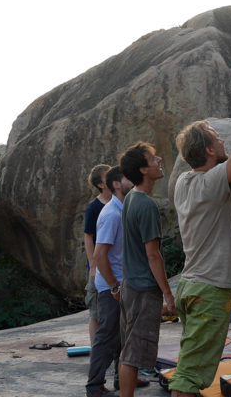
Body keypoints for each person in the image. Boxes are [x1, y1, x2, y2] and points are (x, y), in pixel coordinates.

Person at [168, 121, 231, 397]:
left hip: (191, 286)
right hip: (209, 290)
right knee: (188, 377)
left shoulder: (184, 182)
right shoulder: (212, 182)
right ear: (209, 150)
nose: (223, 143)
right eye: (218, 140)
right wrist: (230, 165)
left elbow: (229, 166)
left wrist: (228, 168)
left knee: (191, 364)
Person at [118, 142, 174, 397]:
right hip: (142, 288)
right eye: (153, 159)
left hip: (131, 284)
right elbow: (153, 255)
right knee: (131, 355)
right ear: (143, 169)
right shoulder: (146, 205)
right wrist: (167, 293)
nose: (159, 160)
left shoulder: (130, 198)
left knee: (128, 349)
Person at [86, 166, 136, 397]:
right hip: (111, 287)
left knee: (121, 337)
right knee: (106, 337)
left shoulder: (123, 210)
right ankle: (94, 387)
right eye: (127, 177)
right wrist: (114, 286)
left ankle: (120, 380)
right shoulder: (111, 214)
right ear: (116, 184)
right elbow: (99, 255)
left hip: (121, 284)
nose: (132, 180)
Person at [84, 164, 112, 345]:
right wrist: (93, 266)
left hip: (116, 263)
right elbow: (88, 237)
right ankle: (96, 350)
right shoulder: (94, 207)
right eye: (107, 176)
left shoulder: (120, 202)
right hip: (98, 265)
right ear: (100, 184)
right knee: (95, 311)